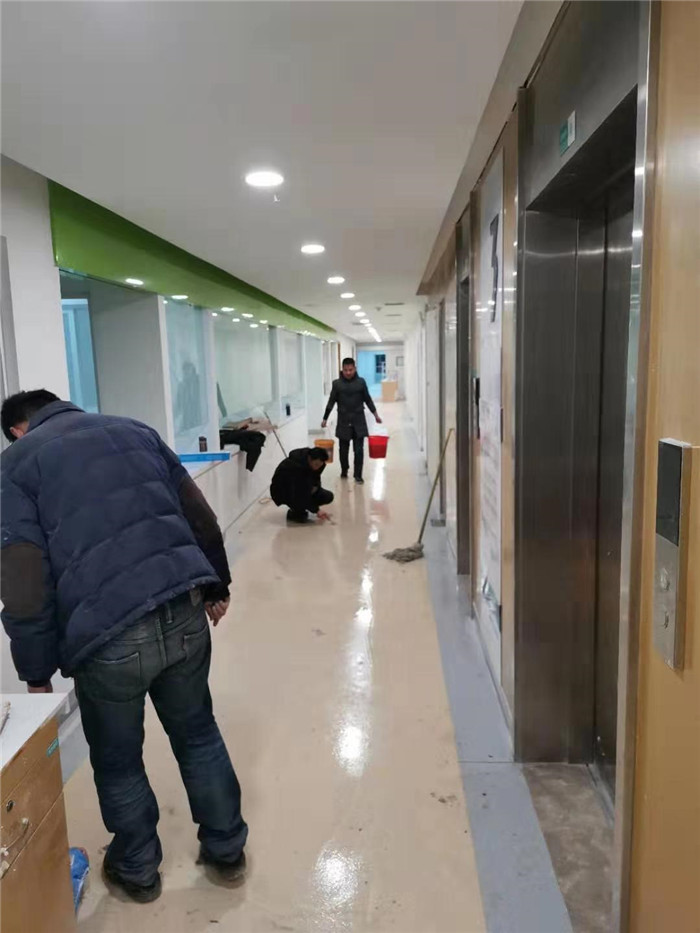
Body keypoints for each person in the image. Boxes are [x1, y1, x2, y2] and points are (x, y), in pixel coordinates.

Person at [0, 390, 247, 904]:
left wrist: (36, 671)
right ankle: (227, 847)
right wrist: (217, 586)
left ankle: (137, 868)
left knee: (118, 760)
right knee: (198, 732)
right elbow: (198, 514)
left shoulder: (17, 464)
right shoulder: (135, 430)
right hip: (183, 606)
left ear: (17, 430)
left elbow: (23, 578)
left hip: (106, 635)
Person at [321, 357, 382, 484]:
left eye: (350, 369)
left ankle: (358, 475)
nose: (348, 372)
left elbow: (368, 399)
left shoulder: (361, 382)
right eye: (345, 370)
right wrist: (325, 418)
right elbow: (331, 402)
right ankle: (344, 470)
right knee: (343, 450)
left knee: (359, 450)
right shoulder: (337, 384)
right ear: (342, 370)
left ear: (355, 369)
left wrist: (376, 415)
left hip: (359, 421)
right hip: (343, 421)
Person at [270, 446, 334, 523]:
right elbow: (300, 491)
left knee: (327, 496)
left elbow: (315, 479)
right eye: (316, 464)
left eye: (320, 465)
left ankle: (305, 505)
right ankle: (295, 511)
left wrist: (315, 487)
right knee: (300, 512)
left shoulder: (318, 464)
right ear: (310, 459)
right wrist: (317, 510)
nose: (317, 468)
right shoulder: (296, 466)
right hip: (284, 491)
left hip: (302, 487)